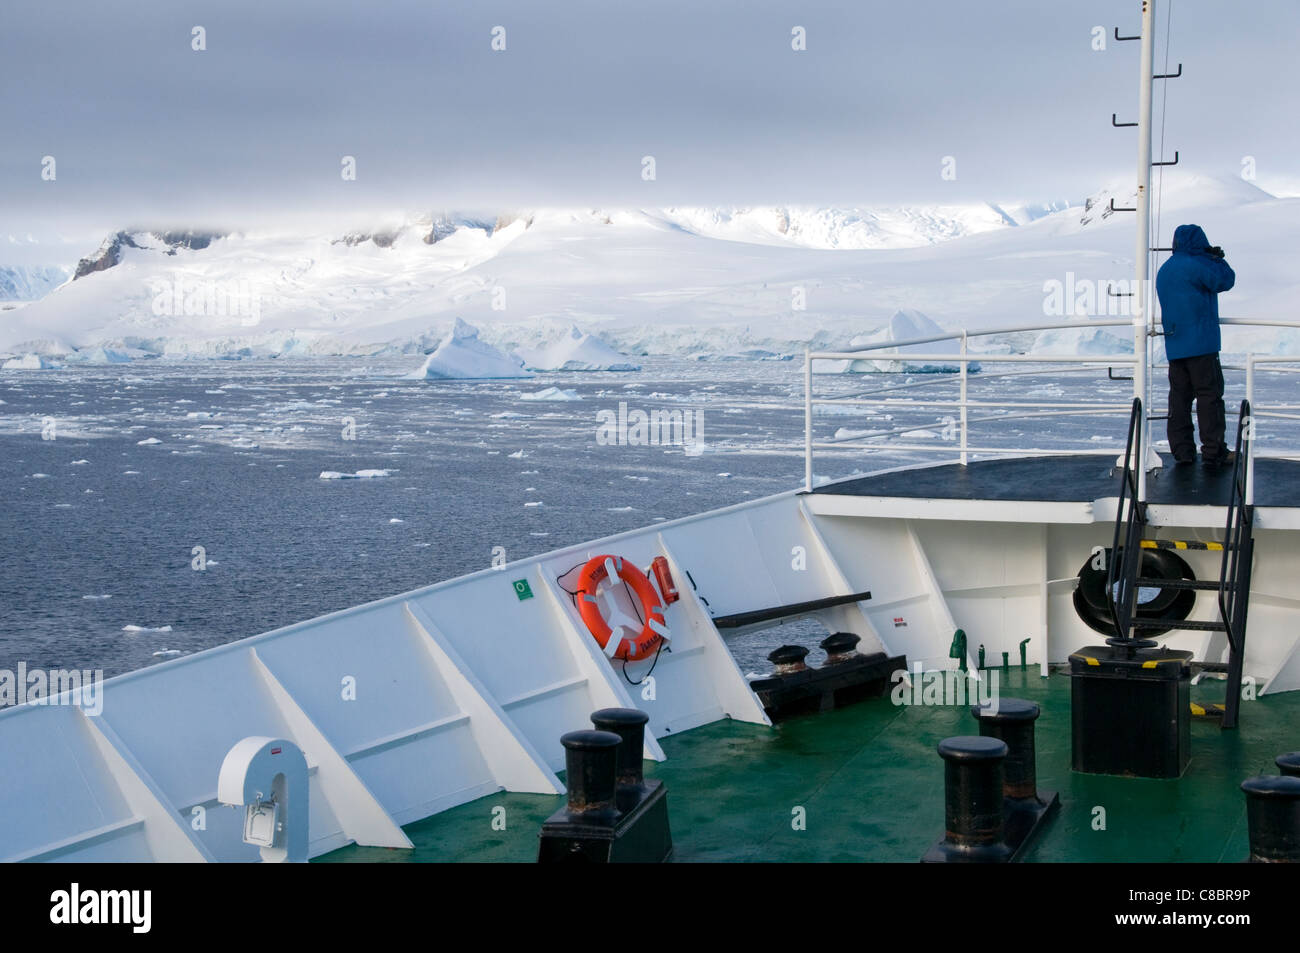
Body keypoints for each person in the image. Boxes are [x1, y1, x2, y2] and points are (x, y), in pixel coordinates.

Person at [1155, 224, 1236, 466]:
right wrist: (1216, 258)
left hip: (1175, 344)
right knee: (1209, 396)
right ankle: (1214, 451)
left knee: (1179, 398)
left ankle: (1183, 452)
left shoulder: (1165, 269)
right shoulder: (1196, 264)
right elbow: (1225, 280)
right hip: (1201, 343)